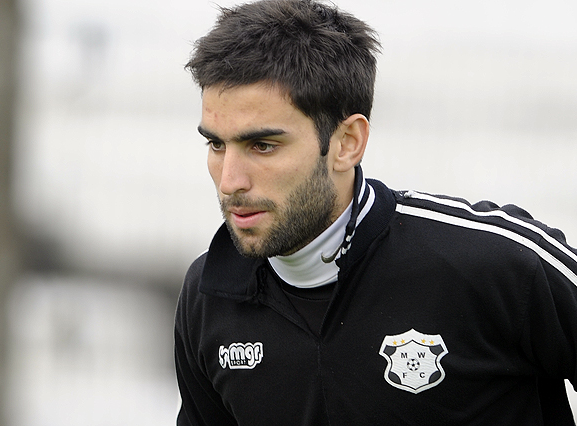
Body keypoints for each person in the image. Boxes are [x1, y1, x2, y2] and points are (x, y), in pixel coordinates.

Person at [173, 0, 577, 424]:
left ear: (348, 143)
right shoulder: (207, 297)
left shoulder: (494, 262)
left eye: (262, 146)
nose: (229, 181)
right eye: (216, 144)